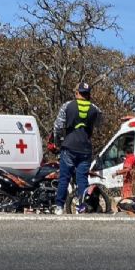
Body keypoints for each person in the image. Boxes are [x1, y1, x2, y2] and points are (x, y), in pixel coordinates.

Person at [52, 82, 102, 215]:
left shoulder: (67, 106)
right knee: (82, 180)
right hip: (85, 148)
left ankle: (59, 207)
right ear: (88, 94)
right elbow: (99, 124)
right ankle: (82, 207)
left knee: (64, 178)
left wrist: (57, 142)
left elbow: (57, 126)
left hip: (69, 146)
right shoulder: (95, 109)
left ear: (77, 93)